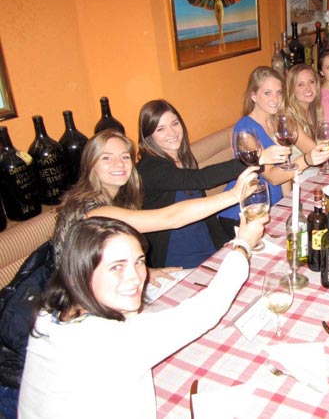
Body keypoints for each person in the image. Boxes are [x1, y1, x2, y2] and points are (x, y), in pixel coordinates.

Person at [18, 214, 265, 419]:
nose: (135, 277)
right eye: (116, 266)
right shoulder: (113, 342)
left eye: (139, 262)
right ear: (80, 272)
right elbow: (208, 308)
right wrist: (242, 244)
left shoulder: (48, 314)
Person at [53, 129, 257, 272]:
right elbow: (169, 217)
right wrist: (233, 195)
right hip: (83, 308)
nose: (119, 164)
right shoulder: (93, 214)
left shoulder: (119, 199)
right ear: (90, 164)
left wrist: (146, 271)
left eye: (125, 157)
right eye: (106, 158)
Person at [136, 99, 283, 268]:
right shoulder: (149, 168)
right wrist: (256, 159)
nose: (171, 132)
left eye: (175, 124)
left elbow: (205, 211)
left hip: (206, 246)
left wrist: (226, 244)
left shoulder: (183, 158)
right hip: (179, 259)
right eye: (160, 129)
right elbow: (200, 179)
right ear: (148, 136)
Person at [218, 66, 329, 235]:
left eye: (279, 93)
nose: (275, 99)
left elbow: (285, 169)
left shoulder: (278, 122)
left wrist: (292, 206)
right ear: (253, 95)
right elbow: (272, 176)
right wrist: (307, 159)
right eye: (267, 93)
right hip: (243, 214)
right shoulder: (245, 130)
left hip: (273, 208)